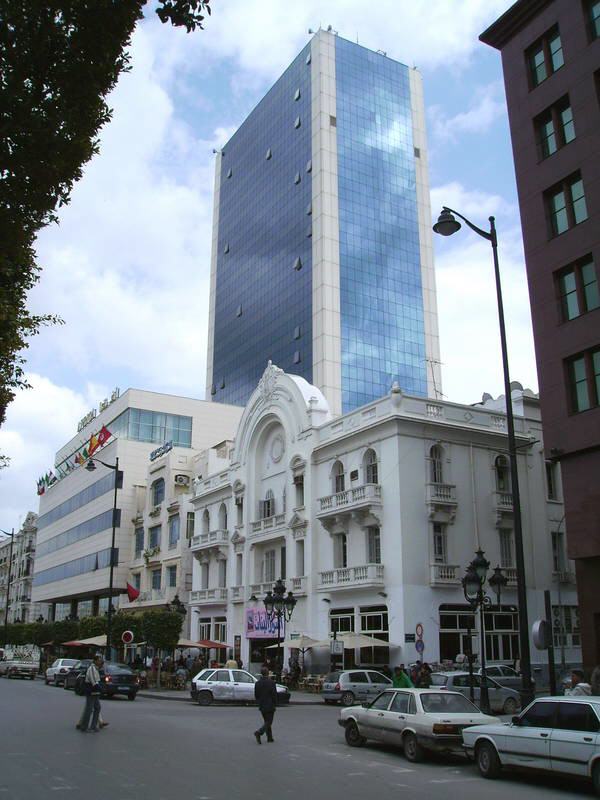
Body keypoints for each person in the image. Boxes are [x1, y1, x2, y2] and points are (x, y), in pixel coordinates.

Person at [78, 654, 103, 733]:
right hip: (91, 691)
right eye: (99, 660)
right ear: (95, 661)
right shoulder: (92, 668)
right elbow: (93, 681)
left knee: (97, 707)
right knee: (89, 709)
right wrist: (100, 688)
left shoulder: (96, 669)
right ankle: (84, 727)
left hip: (95, 692)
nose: (100, 662)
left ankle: (93, 726)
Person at [253, 666, 278, 744]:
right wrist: (275, 703)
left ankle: (270, 738)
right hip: (270, 704)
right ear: (268, 673)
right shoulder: (271, 682)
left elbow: (256, 695)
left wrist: (259, 701)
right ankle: (259, 732)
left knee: (266, 721)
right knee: (269, 722)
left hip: (262, 704)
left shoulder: (257, 683)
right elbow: (274, 694)